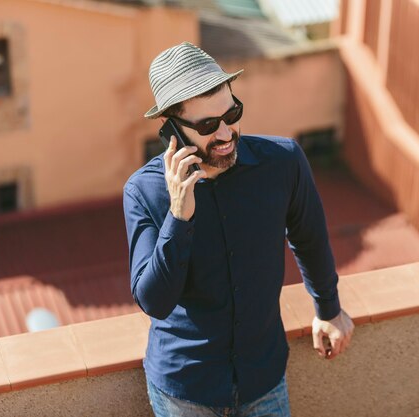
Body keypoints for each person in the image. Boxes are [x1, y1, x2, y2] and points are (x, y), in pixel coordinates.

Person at [123, 41, 354, 417]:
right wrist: (178, 218)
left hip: (264, 381)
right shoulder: (143, 191)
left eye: (232, 113)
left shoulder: (283, 163)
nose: (227, 133)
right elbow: (154, 302)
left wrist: (328, 309)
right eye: (208, 125)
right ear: (170, 131)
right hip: (185, 392)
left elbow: (309, 238)